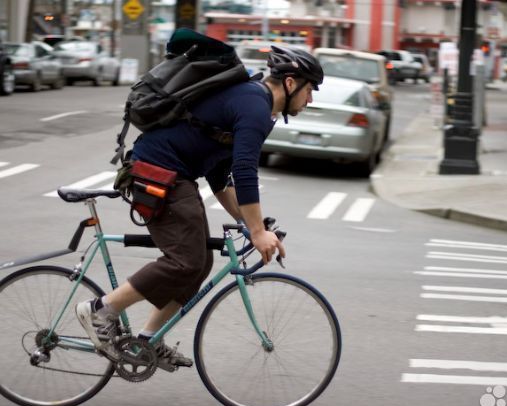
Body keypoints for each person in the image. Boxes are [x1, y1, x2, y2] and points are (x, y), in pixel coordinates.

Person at [75, 40, 324, 370]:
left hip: (173, 174)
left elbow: (221, 177)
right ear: (290, 83)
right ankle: (101, 310)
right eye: (310, 90)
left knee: (199, 263)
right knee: (185, 260)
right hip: (158, 173)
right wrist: (255, 230)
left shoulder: (251, 102)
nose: (311, 98)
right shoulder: (255, 106)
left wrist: (256, 228)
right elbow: (246, 171)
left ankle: (149, 340)